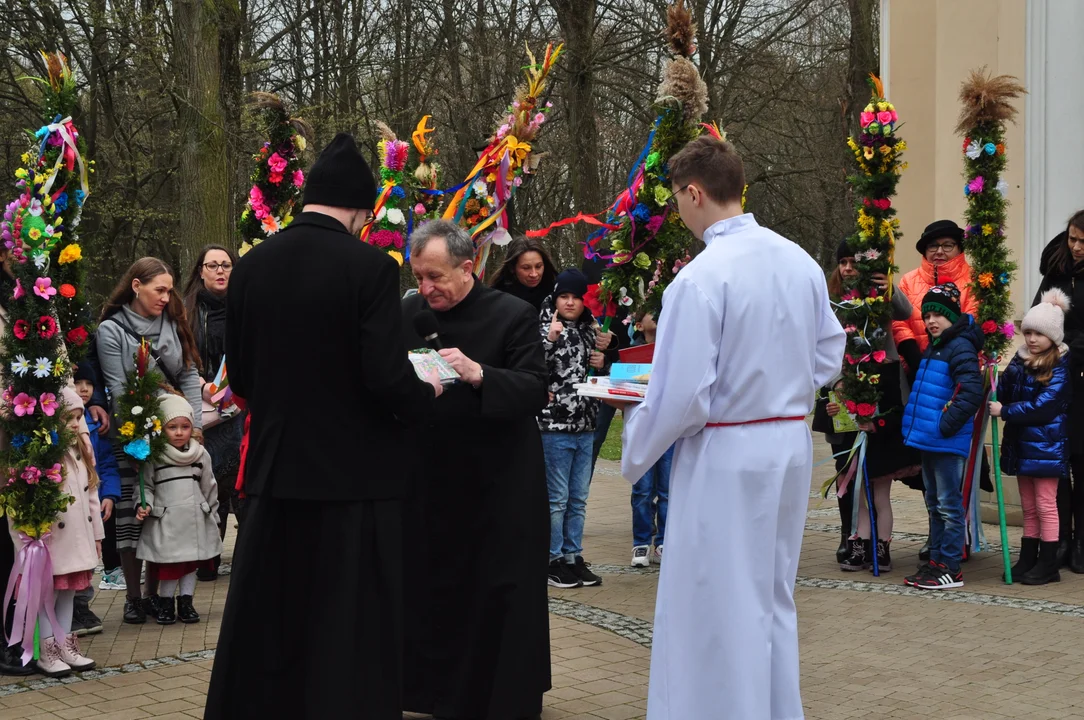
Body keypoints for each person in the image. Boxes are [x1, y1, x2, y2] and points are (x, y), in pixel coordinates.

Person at [205, 133, 441, 720]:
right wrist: (426, 393)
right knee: (349, 618)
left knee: (272, 612)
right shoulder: (370, 269)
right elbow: (385, 376)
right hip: (353, 478)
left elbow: (243, 377)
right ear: (361, 210)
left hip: (278, 468)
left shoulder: (253, 266)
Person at [614, 135, 846, 720]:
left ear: (695, 192)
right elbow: (828, 357)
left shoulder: (699, 279)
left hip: (727, 451)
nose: (677, 212)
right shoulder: (799, 261)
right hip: (789, 442)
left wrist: (636, 435)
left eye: (676, 200)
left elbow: (682, 396)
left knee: (713, 601)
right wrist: (779, 381)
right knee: (772, 595)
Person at [401, 219, 550, 720]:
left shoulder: (513, 314)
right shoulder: (408, 312)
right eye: (419, 276)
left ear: (468, 268)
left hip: (498, 481)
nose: (426, 289)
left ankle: (499, 695)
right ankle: (428, 692)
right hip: (430, 475)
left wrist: (479, 373)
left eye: (436, 277)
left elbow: (534, 387)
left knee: (497, 590)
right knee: (432, 587)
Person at [97, 257, 204, 624]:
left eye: (170, 289)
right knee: (132, 513)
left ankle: (158, 596)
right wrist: (137, 438)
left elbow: (188, 374)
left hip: (176, 431)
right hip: (134, 432)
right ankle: (133, 596)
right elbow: (118, 387)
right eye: (159, 289)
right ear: (136, 286)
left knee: (164, 514)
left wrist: (194, 425)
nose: (166, 296)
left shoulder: (173, 320)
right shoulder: (112, 329)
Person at [827, 240, 920, 573]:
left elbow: (906, 312)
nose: (849, 268)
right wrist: (834, 384)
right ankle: (854, 542)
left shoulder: (879, 296)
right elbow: (824, 350)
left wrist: (888, 285)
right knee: (850, 477)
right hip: (844, 395)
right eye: (844, 262)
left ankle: (880, 546)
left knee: (878, 481)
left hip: (884, 396)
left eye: (854, 262)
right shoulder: (832, 302)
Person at [901, 283, 984, 590]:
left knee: (949, 506)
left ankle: (950, 567)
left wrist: (944, 425)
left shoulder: (959, 345)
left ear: (953, 315)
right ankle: (935, 562)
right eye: (927, 314)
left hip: (945, 441)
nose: (932, 320)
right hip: (930, 439)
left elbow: (970, 391)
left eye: (939, 314)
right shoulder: (937, 345)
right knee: (935, 503)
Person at [990, 289, 1073, 585]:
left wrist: (1006, 410)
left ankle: (1048, 563)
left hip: (1047, 446)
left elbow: (1044, 406)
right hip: (1022, 444)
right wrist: (997, 375)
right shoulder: (1021, 360)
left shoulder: (1061, 366)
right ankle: (1029, 555)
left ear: (1053, 336)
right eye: (1028, 332)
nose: (1032, 339)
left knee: (1045, 504)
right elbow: (1005, 391)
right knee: (1028, 505)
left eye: (1039, 333)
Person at [20, 388, 104, 677]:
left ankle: (67, 645)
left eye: (79, 416)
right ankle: (47, 651)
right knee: (49, 596)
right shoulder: (44, 454)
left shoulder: (80, 451)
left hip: (78, 539)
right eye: (69, 416)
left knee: (68, 594)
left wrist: (97, 535)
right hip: (53, 541)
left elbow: (91, 495)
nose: (75, 423)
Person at [538, 268, 604, 588]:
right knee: (557, 499)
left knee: (578, 498)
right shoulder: (544, 326)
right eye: (564, 296)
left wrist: (605, 353)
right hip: (554, 425)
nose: (570, 302)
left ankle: (572, 556)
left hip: (586, 424)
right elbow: (533, 363)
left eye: (576, 297)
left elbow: (600, 361)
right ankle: (551, 559)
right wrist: (549, 339)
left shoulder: (592, 328)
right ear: (555, 297)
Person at [182, 243, 244, 580]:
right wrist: (205, 384)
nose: (220, 271)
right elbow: (182, 355)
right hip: (205, 406)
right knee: (210, 485)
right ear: (201, 271)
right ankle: (208, 557)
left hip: (241, 404)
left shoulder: (245, 306)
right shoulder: (188, 310)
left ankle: (246, 557)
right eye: (212, 265)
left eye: (226, 265)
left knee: (240, 484)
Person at [136, 395, 223, 623]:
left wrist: (212, 513)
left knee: (189, 565)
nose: (178, 432)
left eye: (184, 426)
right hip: (167, 520)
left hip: (194, 518)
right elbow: (146, 485)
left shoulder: (200, 454)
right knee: (170, 565)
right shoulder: (153, 456)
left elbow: (209, 485)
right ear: (161, 428)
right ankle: (166, 602)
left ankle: (186, 602)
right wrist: (143, 504)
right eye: (172, 427)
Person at [1033, 210, 1084, 570]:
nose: (1077, 247)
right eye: (1072, 239)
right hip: (1058, 376)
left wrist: (1072, 349)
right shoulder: (1056, 269)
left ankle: (1081, 540)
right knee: (1059, 459)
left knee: (1081, 462)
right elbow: (1041, 316)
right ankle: (1062, 538)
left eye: (1083, 241)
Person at [893, 219, 978, 381]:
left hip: (959, 369)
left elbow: (973, 319)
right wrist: (915, 360)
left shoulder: (974, 281)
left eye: (947, 245)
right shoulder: (908, 281)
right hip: (915, 369)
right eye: (933, 245)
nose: (939, 251)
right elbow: (899, 324)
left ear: (959, 249)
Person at [71, 364, 121, 636]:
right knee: (74, 555)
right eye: (78, 383)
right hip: (73, 502)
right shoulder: (70, 422)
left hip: (94, 502)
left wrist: (110, 495)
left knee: (91, 556)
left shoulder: (97, 426)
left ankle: (82, 605)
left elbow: (107, 464)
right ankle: (72, 608)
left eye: (89, 384)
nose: (84, 389)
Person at [629, 311, 671, 568]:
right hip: (642, 431)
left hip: (668, 430)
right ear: (637, 323)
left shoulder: (674, 349)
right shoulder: (629, 354)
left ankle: (665, 542)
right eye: (649, 312)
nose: (655, 316)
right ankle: (641, 542)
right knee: (642, 490)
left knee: (668, 490)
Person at [489, 236, 559, 312]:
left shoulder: (558, 293)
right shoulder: (497, 299)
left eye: (538, 266)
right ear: (512, 268)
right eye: (526, 268)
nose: (534, 274)